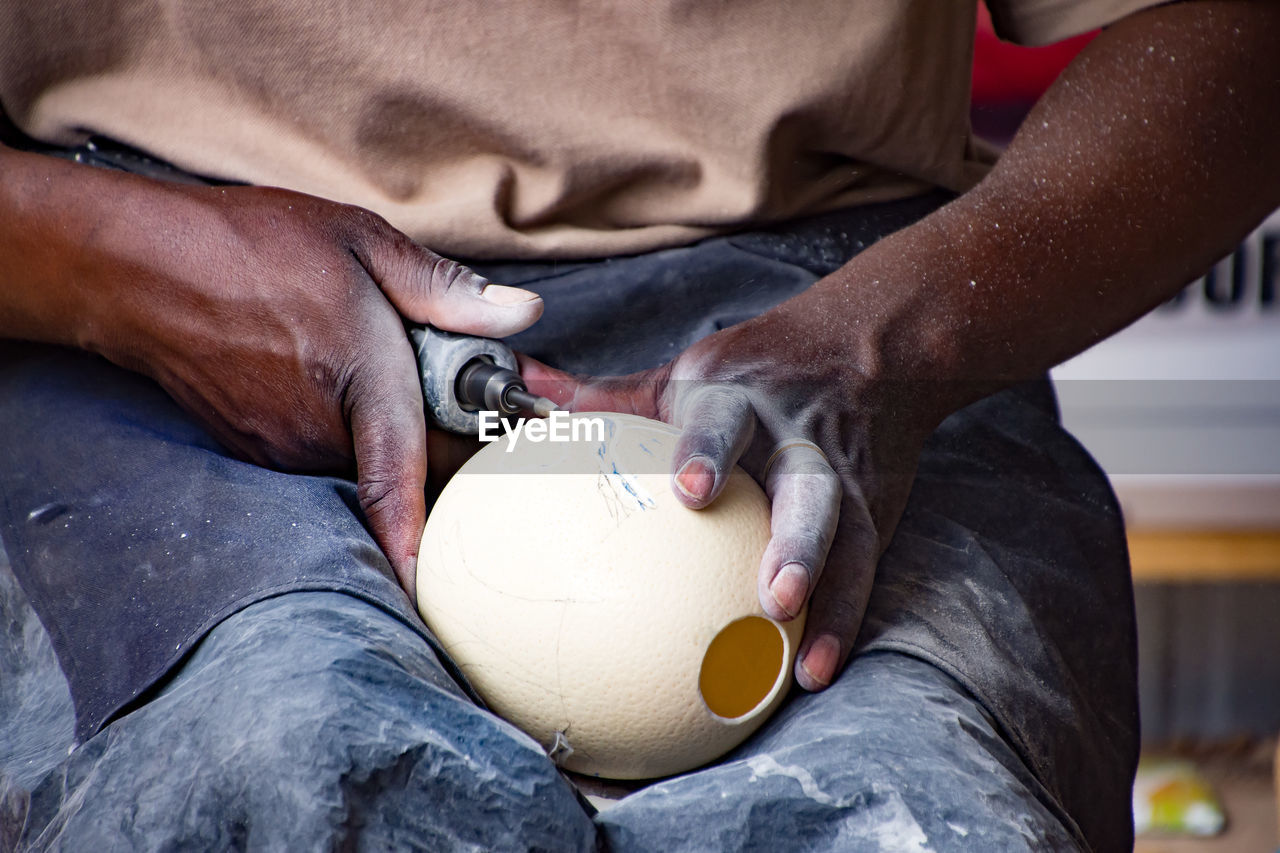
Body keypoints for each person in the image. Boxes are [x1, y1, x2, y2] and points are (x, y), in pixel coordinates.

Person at [0, 0, 1276, 849]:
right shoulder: (135, 269)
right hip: (159, 294)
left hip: (829, 302)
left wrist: (889, 338)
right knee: (277, 773)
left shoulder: (874, 337)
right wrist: (110, 260)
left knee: (907, 815)